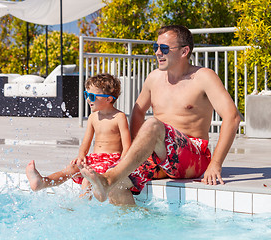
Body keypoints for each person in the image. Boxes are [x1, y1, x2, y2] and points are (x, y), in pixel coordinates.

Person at [78, 25, 241, 205]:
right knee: (120, 183)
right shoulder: (154, 77)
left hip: (193, 157)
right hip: (158, 157)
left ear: (184, 51)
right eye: (156, 47)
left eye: (164, 48)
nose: (157, 52)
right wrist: (134, 151)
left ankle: (108, 179)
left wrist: (215, 164)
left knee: (153, 125)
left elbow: (232, 117)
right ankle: (135, 226)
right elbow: (138, 111)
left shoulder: (203, 77)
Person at [26, 73, 131, 195]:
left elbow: (127, 145)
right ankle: (42, 182)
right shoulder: (93, 117)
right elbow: (86, 141)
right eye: (86, 95)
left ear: (108, 99)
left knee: (87, 180)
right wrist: (81, 155)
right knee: (70, 169)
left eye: (92, 96)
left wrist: (120, 166)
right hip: (94, 159)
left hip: (111, 161)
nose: (87, 99)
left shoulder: (119, 117)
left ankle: (80, 208)